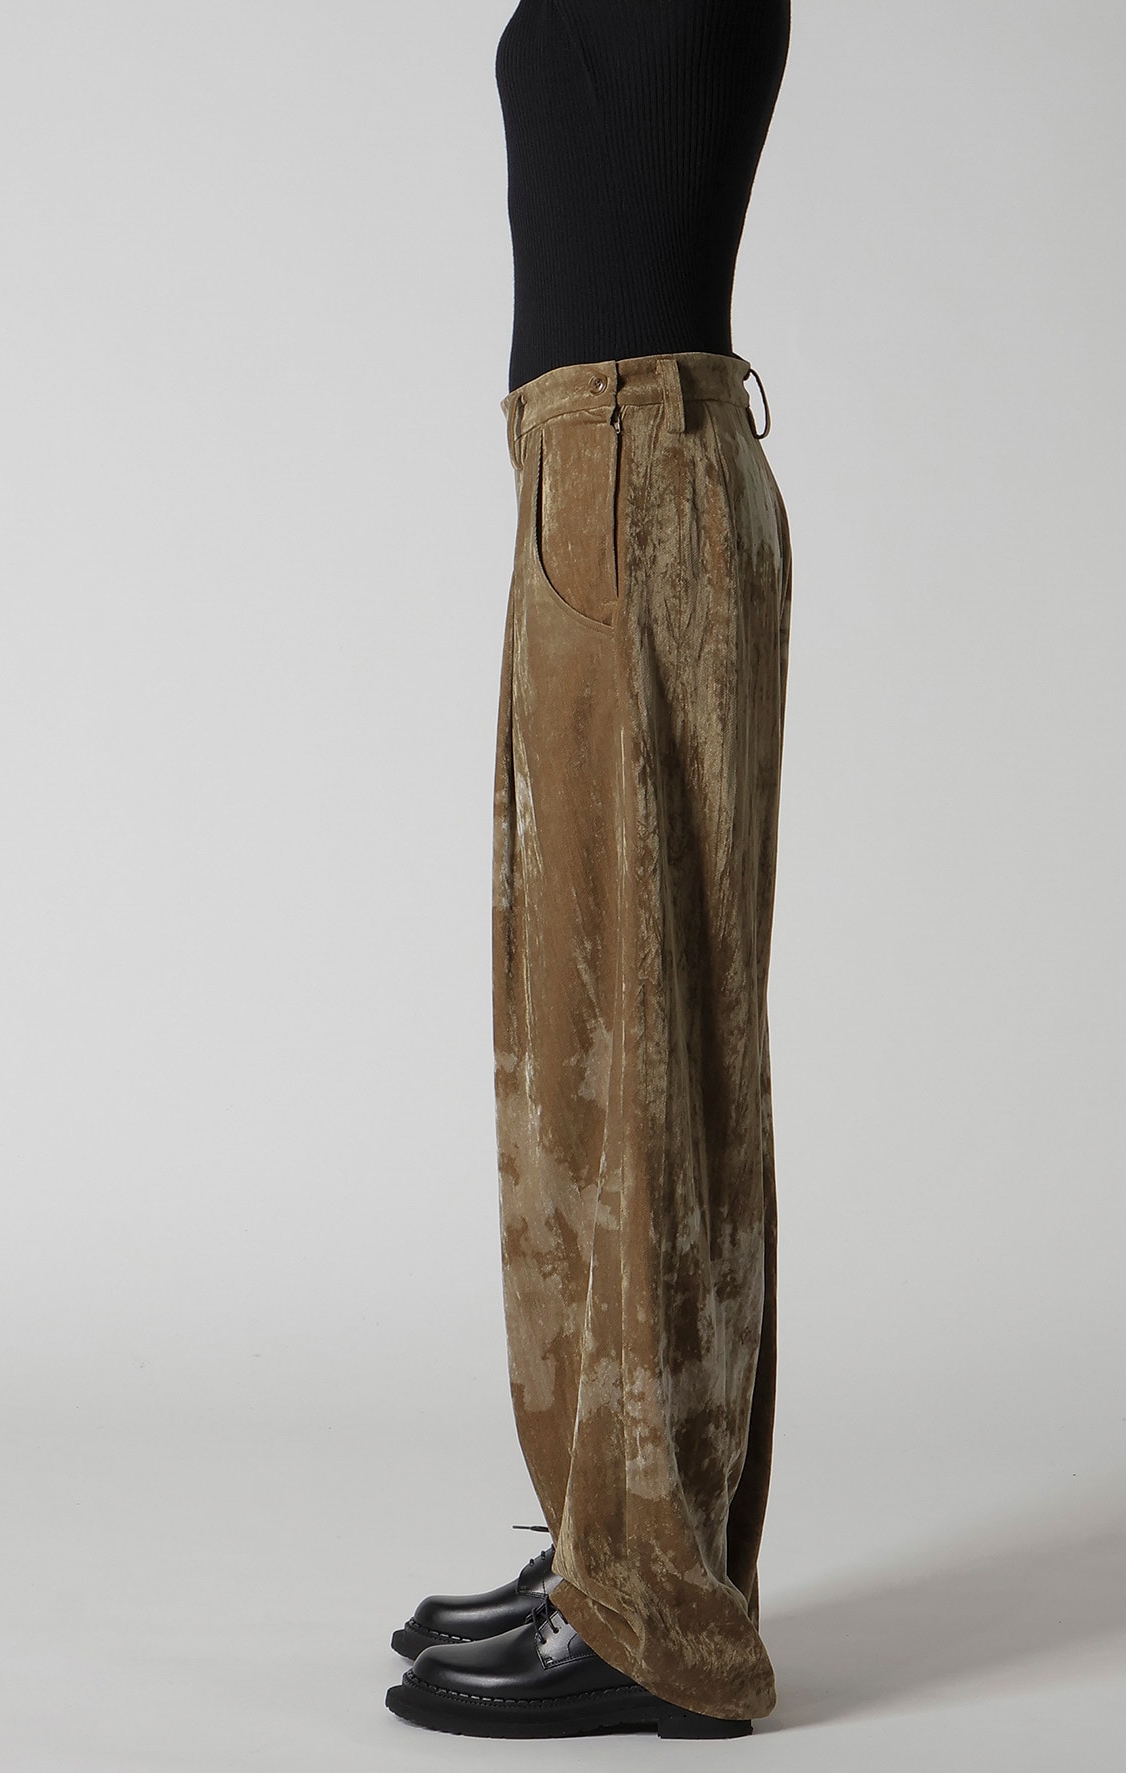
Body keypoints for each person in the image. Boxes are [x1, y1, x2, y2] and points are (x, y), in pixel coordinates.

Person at [387, 0, 792, 1740]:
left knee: (651, 1061)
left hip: (640, 470)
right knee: (572, 1052)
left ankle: (660, 1619)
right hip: (583, 473)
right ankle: (603, 1547)